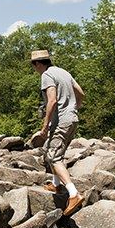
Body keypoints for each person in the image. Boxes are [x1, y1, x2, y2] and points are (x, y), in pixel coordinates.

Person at [31, 50, 85, 216]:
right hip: (72, 119)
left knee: (54, 158)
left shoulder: (46, 75)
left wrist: (45, 125)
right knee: (50, 151)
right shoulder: (63, 72)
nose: (34, 69)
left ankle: (73, 194)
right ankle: (56, 184)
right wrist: (74, 108)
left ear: (38, 64)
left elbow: (52, 100)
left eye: (34, 66)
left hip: (61, 121)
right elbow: (81, 93)